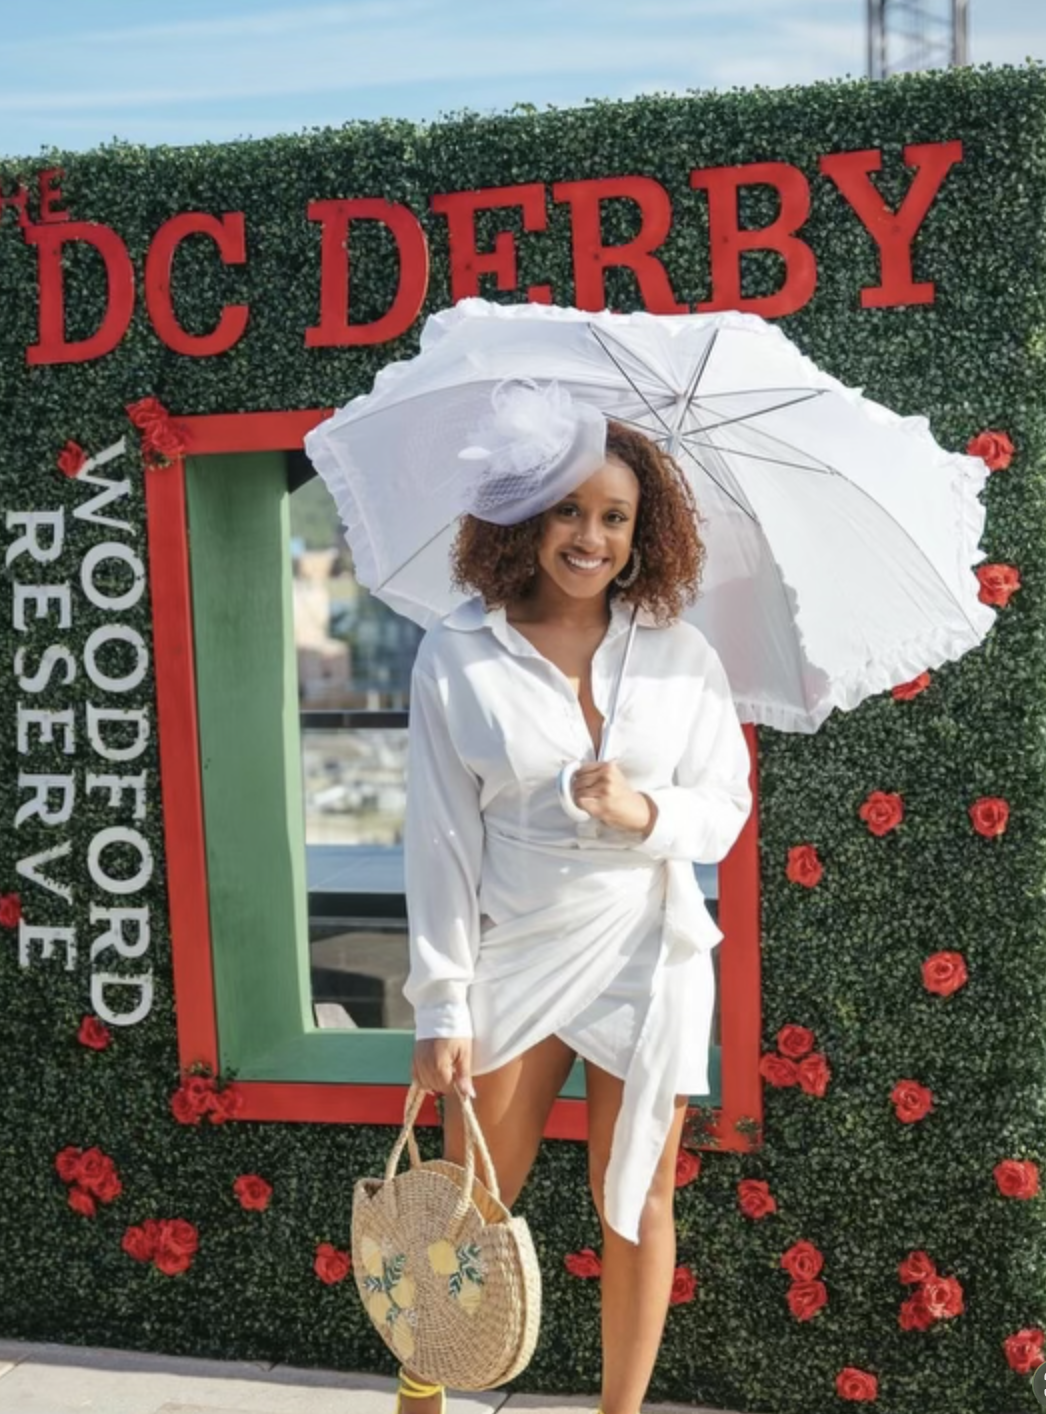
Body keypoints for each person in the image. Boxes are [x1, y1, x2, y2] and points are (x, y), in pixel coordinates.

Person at [396, 386, 753, 1414]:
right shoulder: (455, 653)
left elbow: (722, 810)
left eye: (613, 517)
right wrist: (440, 1005)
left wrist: (646, 813)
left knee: (637, 1198)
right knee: (465, 1212)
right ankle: (419, 1400)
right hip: (515, 946)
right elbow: (437, 840)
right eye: (568, 510)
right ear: (526, 515)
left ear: (643, 534)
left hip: (646, 945)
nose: (589, 536)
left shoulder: (682, 657)